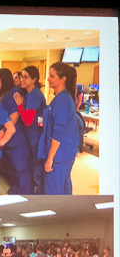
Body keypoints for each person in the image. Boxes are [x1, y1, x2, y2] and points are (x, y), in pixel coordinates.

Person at [40, 62, 80, 195]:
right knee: (63, 186)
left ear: (63, 79)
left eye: (52, 76)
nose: (48, 79)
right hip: (65, 152)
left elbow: (59, 131)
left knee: (54, 190)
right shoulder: (63, 98)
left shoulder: (62, 100)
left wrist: (50, 158)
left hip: (60, 155)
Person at [0, 68, 32, 195]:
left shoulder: (14, 93)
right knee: (13, 171)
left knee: (22, 170)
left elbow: (15, 116)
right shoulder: (4, 94)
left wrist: (4, 130)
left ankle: (27, 195)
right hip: (8, 140)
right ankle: (18, 191)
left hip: (16, 139)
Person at [14, 66, 47, 194]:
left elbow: (28, 120)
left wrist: (19, 105)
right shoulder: (31, 94)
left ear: (34, 79)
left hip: (36, 139)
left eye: (25, 77)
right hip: (33, 138)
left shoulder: (34, 95)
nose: (22, 79)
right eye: (21, 76)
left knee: (38, 172)